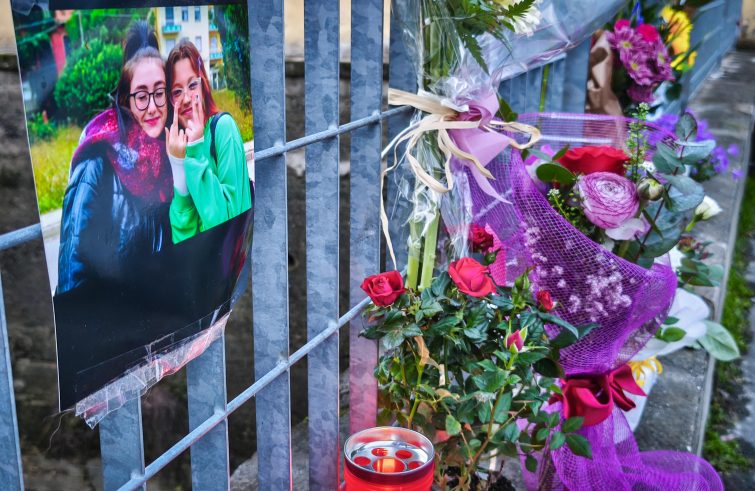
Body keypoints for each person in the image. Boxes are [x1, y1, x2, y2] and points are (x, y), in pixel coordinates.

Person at [56, 22, 173, 294]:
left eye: (159, 92)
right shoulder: (95, 162)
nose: (153, 107)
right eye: (141, 96)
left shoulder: (174, 155)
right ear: (126, 100)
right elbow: (72, 280)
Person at [164, 38, 252, 244]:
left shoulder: (223, 129)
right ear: (170, 99)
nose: (186, 98)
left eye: (192, 85)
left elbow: (227, 224)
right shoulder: (179, 147)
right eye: (177, 91)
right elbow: (182, 239)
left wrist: (196, 151)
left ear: (203, 85)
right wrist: (178, 165)